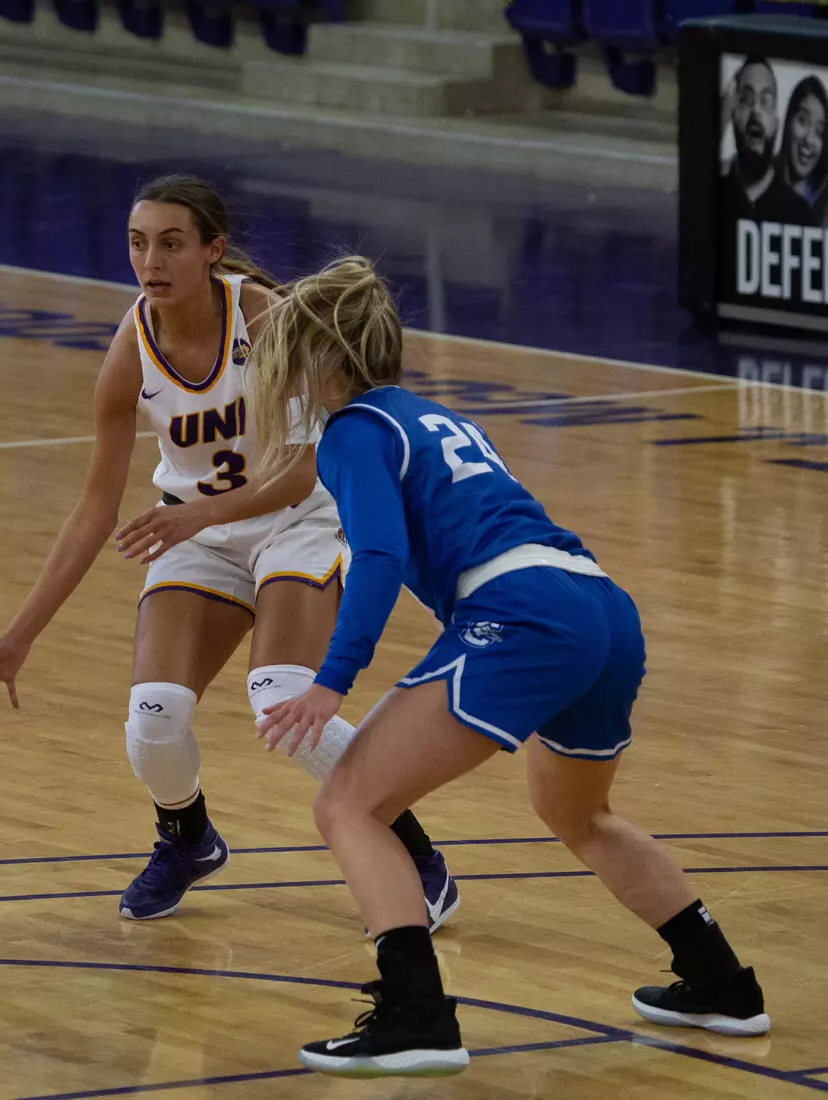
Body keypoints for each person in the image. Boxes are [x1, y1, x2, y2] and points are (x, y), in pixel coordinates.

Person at [249, 257, 770, 1079]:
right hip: (598, 604)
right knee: (580, 816)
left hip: (522, 611)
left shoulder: (351, 431)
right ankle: (720, 981)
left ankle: (416, 1015)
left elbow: (379, 558)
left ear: (320, 360)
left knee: (349, 802)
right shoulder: (427, 416)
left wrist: (331, 680)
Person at [0, 175, 457, 927]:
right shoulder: (130, 352)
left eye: (169, 243)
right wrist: (17, 636)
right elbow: (94, 508)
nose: (149, 260)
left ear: (211, 251)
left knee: (278, 695)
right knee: (152, 716)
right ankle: (186, 838)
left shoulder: (267, 318)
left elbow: (309, 462)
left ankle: (413, 849)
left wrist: (203, 514)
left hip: (297, 522)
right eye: (136, 243)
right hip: (198, 532)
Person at [720, 56, 813, 226]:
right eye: (745, 99)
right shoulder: (712, 195)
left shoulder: (801, 215)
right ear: (732, 116)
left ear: (777, 123)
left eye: (765, 101)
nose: (755, 110)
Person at [780, 74, 828, 208]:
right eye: (803, 120)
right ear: (789, 120)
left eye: (819, 131)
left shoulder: (823, 204)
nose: (809, 139)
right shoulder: (762, 180)